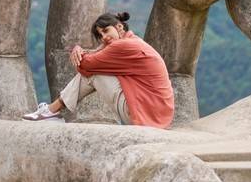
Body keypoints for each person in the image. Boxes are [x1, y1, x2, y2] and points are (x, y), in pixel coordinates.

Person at [22, 12, 175, 129]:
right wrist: (79, 49)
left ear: (119, 27)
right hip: (157, 117)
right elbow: (96, 57)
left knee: (92, 73)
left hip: (146, 117)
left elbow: (87, 66)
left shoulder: (123, 46)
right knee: (96, 69)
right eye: (100, 35)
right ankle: (51, 111)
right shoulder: (134, 42)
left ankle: (51, 111)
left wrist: (78, 51)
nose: (104, 37)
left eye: (106, 31)